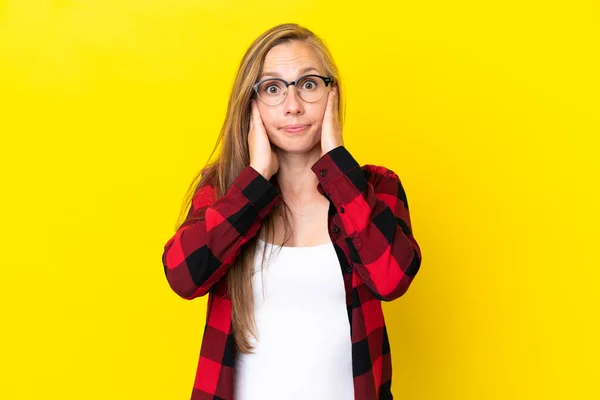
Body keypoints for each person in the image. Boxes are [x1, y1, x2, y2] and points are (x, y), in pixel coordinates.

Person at [161, 23, 422, 400]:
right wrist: (254, 180)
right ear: (251, 105)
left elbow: (392, 279)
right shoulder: (224, 191)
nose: (293, 105)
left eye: (309, 84)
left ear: (333, 93)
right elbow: (183, 276)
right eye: (272, 88)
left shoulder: (375, 188)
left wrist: (338, 165)